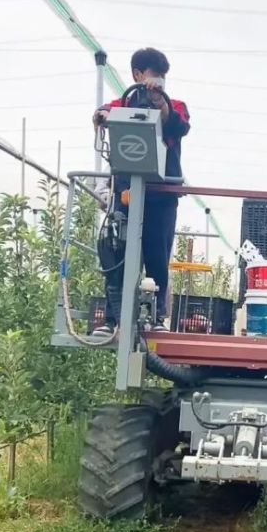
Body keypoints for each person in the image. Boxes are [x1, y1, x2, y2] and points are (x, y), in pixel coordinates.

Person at [91, 48, 190, 335]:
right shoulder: (122, 104)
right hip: (127, 195)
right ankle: (113, 319)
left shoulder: (176, 105)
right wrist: (100, 115)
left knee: (157, 256)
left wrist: (160, 101)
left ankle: (156, 317)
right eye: (153, 75)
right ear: (137, 74)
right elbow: (104, 113)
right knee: (118, 255)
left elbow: (178, 125)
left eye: (162, 77)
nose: (158, 81)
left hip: (161, 196)